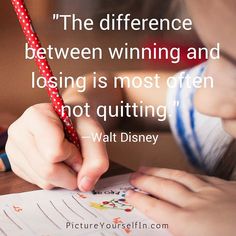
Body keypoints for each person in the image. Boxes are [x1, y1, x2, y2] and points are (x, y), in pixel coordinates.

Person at [6, 0, 236, 235]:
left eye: (235, 65)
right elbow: (121, 91)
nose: (202, 100)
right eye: (210, 54)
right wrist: (80, 109)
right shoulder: (212, 94)